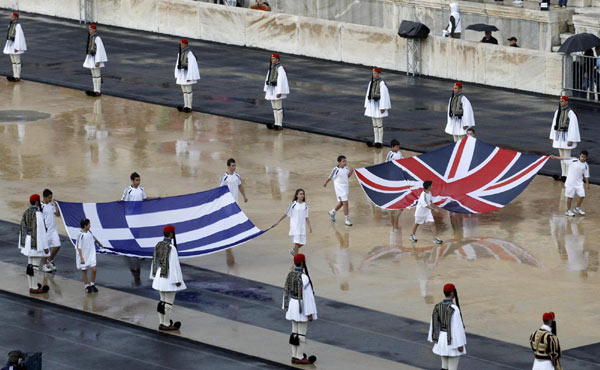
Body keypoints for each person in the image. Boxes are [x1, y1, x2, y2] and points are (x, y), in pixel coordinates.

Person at [283, 253, 318, 365]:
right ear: (303, 262)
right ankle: (299, 357)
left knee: (294, 332)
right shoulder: (304, 277)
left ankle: (294, 355)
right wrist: (310, 312)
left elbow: (285, 291)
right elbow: (308, 297)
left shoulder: (290, 274)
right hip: (301, 306)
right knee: (301, 333)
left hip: (293, 304)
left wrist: (286, 306)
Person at [150, 225, 186, 331]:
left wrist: (154, 275)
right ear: (171, 234)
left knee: (162, 301)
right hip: (169, 277)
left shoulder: (159, 244)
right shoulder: (171, 248)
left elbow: (154, 262)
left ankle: (162, 322)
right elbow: (174, 265)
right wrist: (177, 280)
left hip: (160, 276)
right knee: (168, 302)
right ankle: (166, 324)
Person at [428, 283, 467, 370]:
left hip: (441, 340)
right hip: (452, 341)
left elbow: (434, 325)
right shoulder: (454, 308)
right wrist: (460, 344)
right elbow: (457, 328)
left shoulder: (437, 307)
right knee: (452, 367)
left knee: (444, 366)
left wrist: (435, 339)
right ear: (452, 293)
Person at [18, 194, 50, 294]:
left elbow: (22, 228)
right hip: (36, 242)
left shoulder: (26, 212)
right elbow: (42, 231)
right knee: (35, 266)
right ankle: (35, 288)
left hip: (27, 242)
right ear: (36, 202)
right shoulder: (38, 214)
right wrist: (46, 247)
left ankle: (31, 286)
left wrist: (22, 244)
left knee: (30, 265)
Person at [549, 96, 580, 181]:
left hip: (566, 137)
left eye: (562, 101)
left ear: (567, 102)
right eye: (560, 101)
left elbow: (573, 127)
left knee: (567, 158)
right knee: (561, 157)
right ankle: (563, 174)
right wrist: (553, 137)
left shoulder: (570, 112)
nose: (561, 102)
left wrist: (571, 139)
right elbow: (554, 125)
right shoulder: (557, 111)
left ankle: (568, 175)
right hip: (559, 137)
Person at [273, 189, 312, 257]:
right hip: (295, 227)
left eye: (303, 194)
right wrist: (278, 222)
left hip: (302, 227)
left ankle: (293, 250)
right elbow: (286, 214)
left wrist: (310, 226)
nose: (302, 195)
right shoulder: (293, 204)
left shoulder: (305, 205)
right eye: (300, 194)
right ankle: (296, 260)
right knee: (297, 243)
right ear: (296, 195)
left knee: (302, 243)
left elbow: (306, 217)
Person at [550, 150, 590, 217]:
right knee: (570, 197)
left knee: (582, 195)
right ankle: (568, 211)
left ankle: (577, 208)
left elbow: (586, 175)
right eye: (582, 156)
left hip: (579, 183)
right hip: (570, 183)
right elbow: (563, 158)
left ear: (586, 158)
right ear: (579, 155)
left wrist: (587, 184)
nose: (582, 158)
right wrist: (554, 157)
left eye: (584, 157)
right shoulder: (573, 160)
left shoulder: (586, 165)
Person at [364, 67, 391, 148]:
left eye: (375, 73)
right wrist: (367, 105)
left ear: (378, 74)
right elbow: (368, 94)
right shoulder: (371, 82)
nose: (374, 74)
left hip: (378, 105)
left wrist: (383, 107)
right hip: (372, 105)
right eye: (373, 73)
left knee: (379, 124)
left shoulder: (381, 83)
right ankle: (376, 141)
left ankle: (380, 141)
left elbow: (384, 96)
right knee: (374, 124)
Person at [324, 155, 354, 226]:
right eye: (343, 161)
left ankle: (332, 212)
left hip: (345, 188)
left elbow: (347, 176)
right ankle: (347, 219)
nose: (345, 162)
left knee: (341, 203)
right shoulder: (335, 170)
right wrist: (325, 183)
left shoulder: (346, 168)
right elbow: (330, 177)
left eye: (346, 161)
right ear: (339, 162)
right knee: (346, 203)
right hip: (339, 189)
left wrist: (351, 172)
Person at [76, 218, 102, 293]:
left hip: (91, 254)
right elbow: (78, 247)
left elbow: (94, 238)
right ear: (85, 225)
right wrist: (81, 257)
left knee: (94, 269)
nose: (90, 226)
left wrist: (99, 243)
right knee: (84, 270)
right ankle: (86, 286)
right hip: (84, 255)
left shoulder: (89, 232)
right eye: (89, 224)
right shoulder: (80, 235)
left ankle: (92, 284)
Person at [264, 53, 289, 130]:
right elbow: (267, 79)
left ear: (277, 60)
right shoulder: (271, 68)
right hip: (271, 89)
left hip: (276, 90)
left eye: (273, 59)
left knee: (278, 108)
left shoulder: (280, 68)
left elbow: (281, 81)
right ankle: (276, 123)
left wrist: (279, 92)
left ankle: (279, 124)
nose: (272, 60)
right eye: (271, 59)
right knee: (274, 108)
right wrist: (266, 89)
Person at [174, 38, 200, 113]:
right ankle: (186, 106)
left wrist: (190, 77)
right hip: (182, 73)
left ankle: (189, 107)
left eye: (182, 44)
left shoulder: (189, 53)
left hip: (187, 73)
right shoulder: (180, 53)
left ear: (185, 45)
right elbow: (177, 64)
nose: (181, 45)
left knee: (188, 91)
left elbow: (192, 66)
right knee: (184, 91)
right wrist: (177, 73)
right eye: (181, 44)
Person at [83, 24, 107, 97]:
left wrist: (98, 61)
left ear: (94, 30)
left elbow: (99, 50)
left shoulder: (97, 38)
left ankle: (98, 91)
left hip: (96, 58)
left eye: (91, 29)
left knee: (97, 75)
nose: (89, 31)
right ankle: (94, 90)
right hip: (91, 58)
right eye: (89, 29)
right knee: (94, 75)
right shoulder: (91, 37)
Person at [41, 189, 61, 273]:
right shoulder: (40, 206)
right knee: (46, 249)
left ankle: (50, 260)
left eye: (51, 197)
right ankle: (44, 265)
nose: (50, 199)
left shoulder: (51, 204)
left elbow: (57, 214)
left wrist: (56, 205)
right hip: (46, 231)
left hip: (53, 230)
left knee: (58, 245)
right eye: (49, 198)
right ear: (44, 197)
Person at [386, 139, 404, 230]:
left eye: (398, 146)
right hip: (392, 175)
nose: (398, 148)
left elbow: (404, 161)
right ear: (392, 147)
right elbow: (386, 164)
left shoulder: (400, 153)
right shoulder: (390, 154)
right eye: (396, 146)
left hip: (399, 175)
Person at [3, 12, 26, 82]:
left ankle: (17, 76)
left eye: (12, 16)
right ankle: (14, 75)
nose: (11, 17)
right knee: (13, 61)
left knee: (17, 61)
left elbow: (19, 37)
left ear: (16, 18)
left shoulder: (18, 25)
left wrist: (17, 47)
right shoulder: (11, 24)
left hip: (15, 45)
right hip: (10, 45)